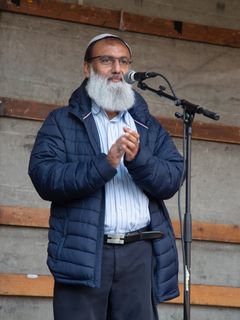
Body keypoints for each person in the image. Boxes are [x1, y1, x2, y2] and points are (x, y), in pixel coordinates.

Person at [28, 33, 184, 320]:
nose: (117, 69)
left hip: (139, 253)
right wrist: (105, 164)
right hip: (85, 253)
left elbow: (172, 178)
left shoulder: (147, 125)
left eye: (124, 62)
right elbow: (44, 176)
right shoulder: (61, 122)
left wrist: (139, 160)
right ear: (87, 69)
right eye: (107, 60)